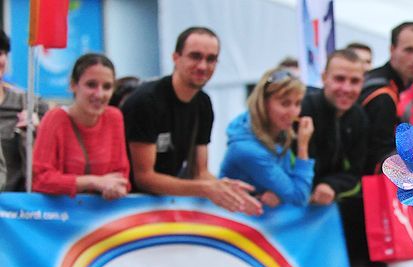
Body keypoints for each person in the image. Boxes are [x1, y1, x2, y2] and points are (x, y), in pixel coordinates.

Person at [122, 26, 260, 215]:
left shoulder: (203, 103)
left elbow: (199, 172)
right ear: (176, 58)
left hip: (166, 206)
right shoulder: (146, 100)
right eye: (195, 56)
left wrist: (228, 190)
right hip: (124, 210)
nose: (203, 66)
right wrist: (206, 189)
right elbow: (144, 178)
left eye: (211, 59)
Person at [32, 53, 129, 199]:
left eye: (107, 87)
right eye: (91, 85)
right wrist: (93, 182)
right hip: (59, 211)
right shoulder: (54, 118)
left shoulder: (114, 117)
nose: (99, 94)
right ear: (73, 85)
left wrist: (115, 188)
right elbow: (40, 179)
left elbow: (121, 175)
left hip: (102, 210)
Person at [218, 68, 314, 207]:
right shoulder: (248, 150)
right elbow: (299, 197)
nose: (294, 112)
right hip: (234, 218)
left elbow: (289, 186)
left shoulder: (276, 130)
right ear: (264, 104)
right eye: (285, 103)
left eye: (298, 103)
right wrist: (303, 147)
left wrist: (280, 196)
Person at [359, 21, 413, 174]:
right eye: (409, 50)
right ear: (392, 50)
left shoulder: (383, 82)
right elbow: (379, 159)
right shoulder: (383, 95)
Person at [301, 49, 367, 205]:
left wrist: (331, 185)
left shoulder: (359, 117)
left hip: (328, 206)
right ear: (324, 78)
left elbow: (357, 172)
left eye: (354, 81)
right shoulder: (303, 108)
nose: (346, 88)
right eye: (339, 79)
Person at [0, 29, 49, 191]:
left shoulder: (31, 104)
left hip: (16, 203)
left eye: (0, 53)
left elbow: (50, 169)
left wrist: (38, 131)